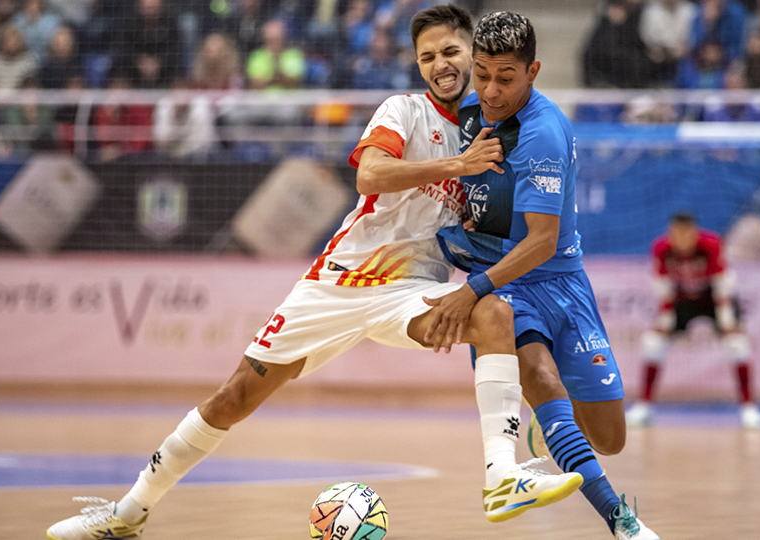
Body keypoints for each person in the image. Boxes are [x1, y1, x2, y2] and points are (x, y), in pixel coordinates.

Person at [45, 6, 583, 539]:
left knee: (493, 311)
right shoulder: (403, 110)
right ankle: (128, 512)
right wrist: (455, 167)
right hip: (340, 283)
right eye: (427, 56)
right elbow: (369, 176)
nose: (440, 64)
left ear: (473, 54)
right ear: (416, 65)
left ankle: (501, 477)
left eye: (450, 51)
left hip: (412, 289)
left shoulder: (493, 128)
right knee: (233, 398)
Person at [433, 11, 659, 540]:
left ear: (532, 71)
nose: (490, 89)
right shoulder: (463, 111)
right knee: (539, 377)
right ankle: (622, 523)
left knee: (609, 437)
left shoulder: (544, 134)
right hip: (506, 286)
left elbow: (542, 242)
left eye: (505, 78)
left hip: (557, 279)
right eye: (482, 73)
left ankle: (552, 428)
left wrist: (469, 291)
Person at [625, 213, 760, 430]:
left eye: (685, 234)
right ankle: (644, 407)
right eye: (676, 234)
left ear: (694, 232)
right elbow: (663, 285)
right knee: (652, 343)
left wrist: (726, 320)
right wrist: (665, 317)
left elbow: (721, 282)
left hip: (713, 299)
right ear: (671, 233)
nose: (681, 239)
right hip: (682, 301)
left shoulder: (710, 244)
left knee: (738, 345)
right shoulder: (662, 248)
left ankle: (749, 408)